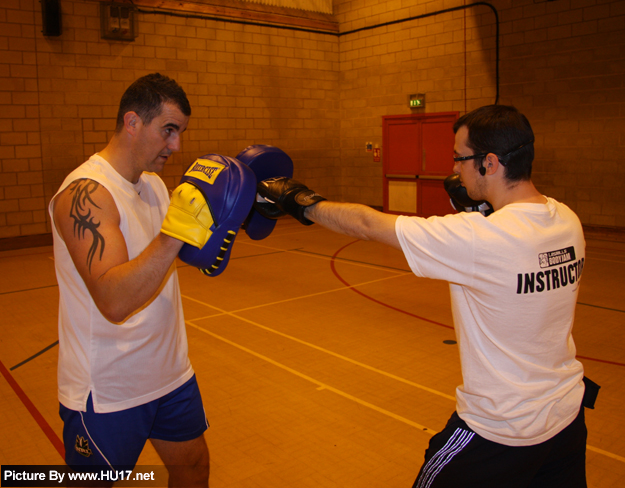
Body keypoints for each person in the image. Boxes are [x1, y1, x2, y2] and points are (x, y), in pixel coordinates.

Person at [256, 105, 589, 487]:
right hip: (565, 419)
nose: (456, 170)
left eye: (461, 158)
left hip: (499, 431)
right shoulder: (566, 219)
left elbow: (367, 223)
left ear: (490, 163)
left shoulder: (480, 238)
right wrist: (485, 208)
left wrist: (301, 201)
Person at [49, 73, 210, 486]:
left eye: (180, 133)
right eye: (169, 131)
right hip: (108, 389)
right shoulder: (85, 193)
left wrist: (239, 211)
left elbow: (176, 254)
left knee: (192, 466)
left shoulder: (153, 186)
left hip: (170, 373)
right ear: (133, 122)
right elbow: (115, 299)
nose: (177, 146)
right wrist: (176, 232)